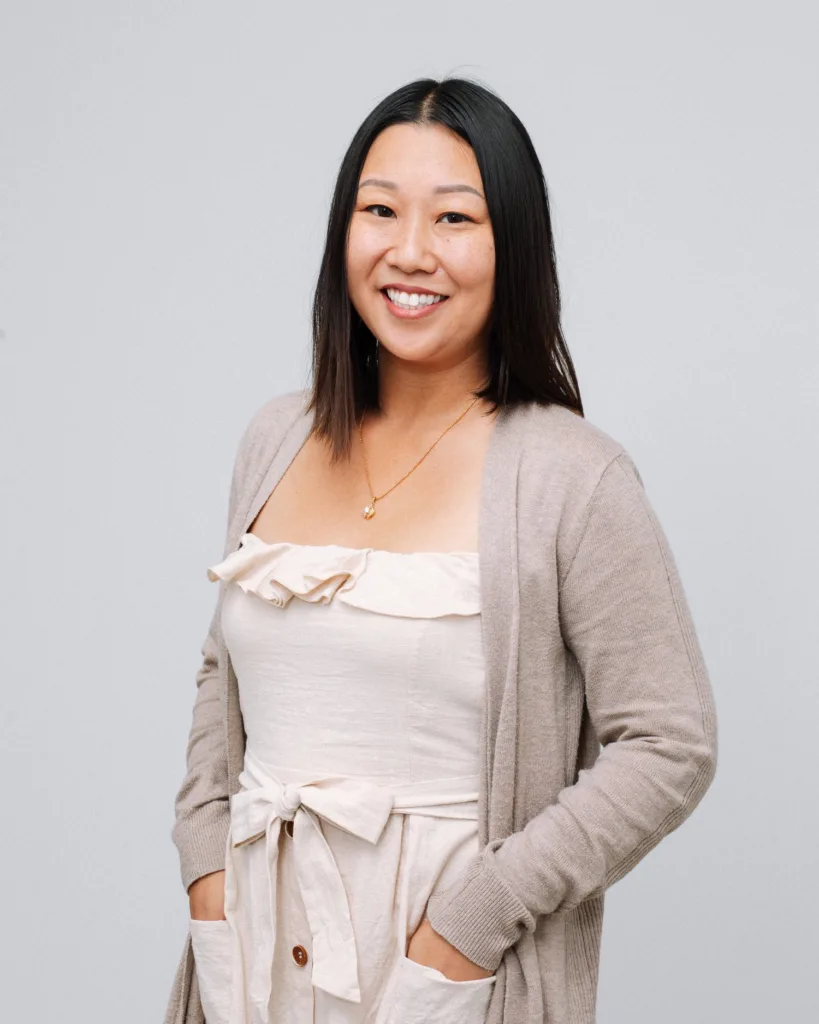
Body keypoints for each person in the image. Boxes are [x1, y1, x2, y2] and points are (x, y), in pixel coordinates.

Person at [164, 77, 718, 1024]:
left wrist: (473, 921)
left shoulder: (568, 476)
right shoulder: (274, 436)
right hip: (250, 961)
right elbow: (228, 667)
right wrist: (204, 861)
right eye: (378, 210)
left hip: (448, 976)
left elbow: (671, 744)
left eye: (454, 218)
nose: (408, 251)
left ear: (514, 249)